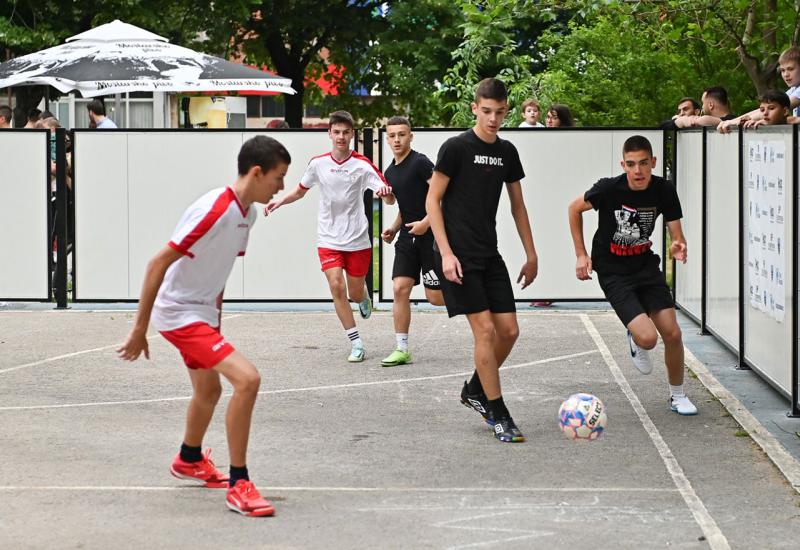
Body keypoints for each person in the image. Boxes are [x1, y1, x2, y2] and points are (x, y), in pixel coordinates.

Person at [117, 135, 291, 517]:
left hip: (200, 314)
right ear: (257, 172)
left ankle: (189, 458)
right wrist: (139, 329)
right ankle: (239, 483)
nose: (282, 186)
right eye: (279, 177)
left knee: (209, 390)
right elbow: (157, 263)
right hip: (178, 312)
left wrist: (215, 324)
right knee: (247, 380)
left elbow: (218, 272)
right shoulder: (215, 209)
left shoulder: (249, 215)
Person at [426, 77, 539, 443]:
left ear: (507, 110)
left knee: (509, 331)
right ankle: (498, 411)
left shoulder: (507, 152)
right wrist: (445, 253)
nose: (493, 119)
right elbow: (433, 201)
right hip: (458, 256)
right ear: (475, 108)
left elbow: (518, 205)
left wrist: (531, 253)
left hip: (489, 255)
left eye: (500, 112)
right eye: (486, 111)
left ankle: (475, 389)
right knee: (486, 331)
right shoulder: (455, 148)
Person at [567, 135, 697, 416]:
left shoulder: (663, 189)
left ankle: (678, 395)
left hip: (646, 267)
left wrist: (678, 244)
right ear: (622, 164)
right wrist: (581, 254)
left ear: (653, 162)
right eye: (630, 164)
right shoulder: (608, 189)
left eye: (642, 164)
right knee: (648, 339)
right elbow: (574, 208)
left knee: (673, 334)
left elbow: (676, 231)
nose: (637, 171)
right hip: (613, 271)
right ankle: (636, 335)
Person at [266, 110, 395, 363]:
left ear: (352, 135)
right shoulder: (318, 164)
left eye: (346, 132)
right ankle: (356, 342)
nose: (341, 137)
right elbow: (300, 191)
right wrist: (280, 201)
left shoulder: (362, 165)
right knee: (337, 285)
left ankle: (364, 297)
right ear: (329, 134)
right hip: (328, 239)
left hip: (357, 239)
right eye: (336, 132)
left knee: (355, 293)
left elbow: (389, 198)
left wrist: (386, 193)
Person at [380, 116, 445, 367]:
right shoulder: (390, 171)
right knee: (399, 289)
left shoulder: (420, 163)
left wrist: (425, 223)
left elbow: (440, 197)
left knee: (435, 298)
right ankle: (401, 348)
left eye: (402, 134)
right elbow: (401, 205)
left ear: (410, 136)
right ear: (387, 139)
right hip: (407, 238)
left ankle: (477, 304)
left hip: (431, 236)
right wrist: (394, 229)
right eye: (393, 135)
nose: (397, 139)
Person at [720, 47, 800, 132]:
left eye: (790, 69)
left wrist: (734, 122)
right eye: (783, 70)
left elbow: (777, 108)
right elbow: (767, 108)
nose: (786, 74)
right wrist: (736, 120)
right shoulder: (794, 89)